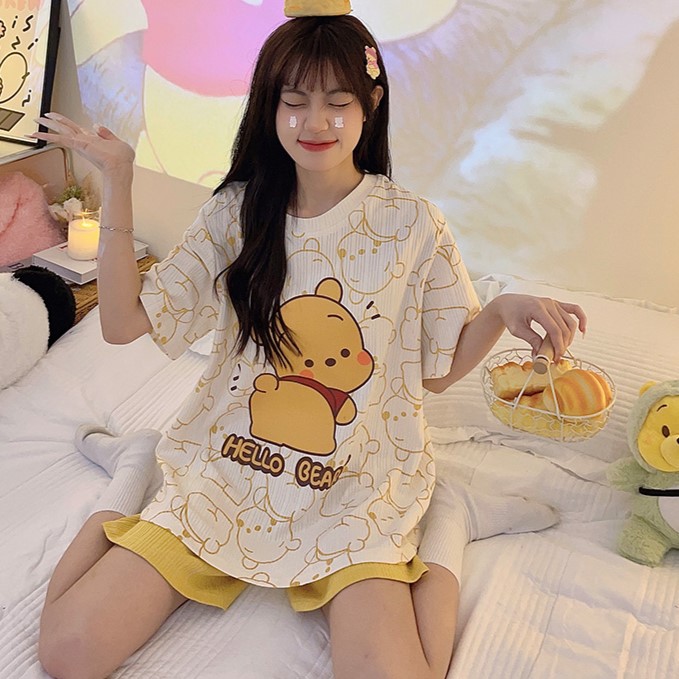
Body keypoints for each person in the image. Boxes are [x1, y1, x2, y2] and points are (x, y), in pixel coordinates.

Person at [31, 10, 586, 679]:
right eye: (293, 101)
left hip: (356, 488)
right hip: (223, 473)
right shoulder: (235, 212)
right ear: (270, 107)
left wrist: (497, 311)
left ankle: (449, 521)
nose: (313, 122)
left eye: (336, 101)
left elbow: (436, 372)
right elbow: (122, 323)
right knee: (69, 651)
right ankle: (135, 467)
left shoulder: (412, 224)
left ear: (370, 103)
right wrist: (119, 181)